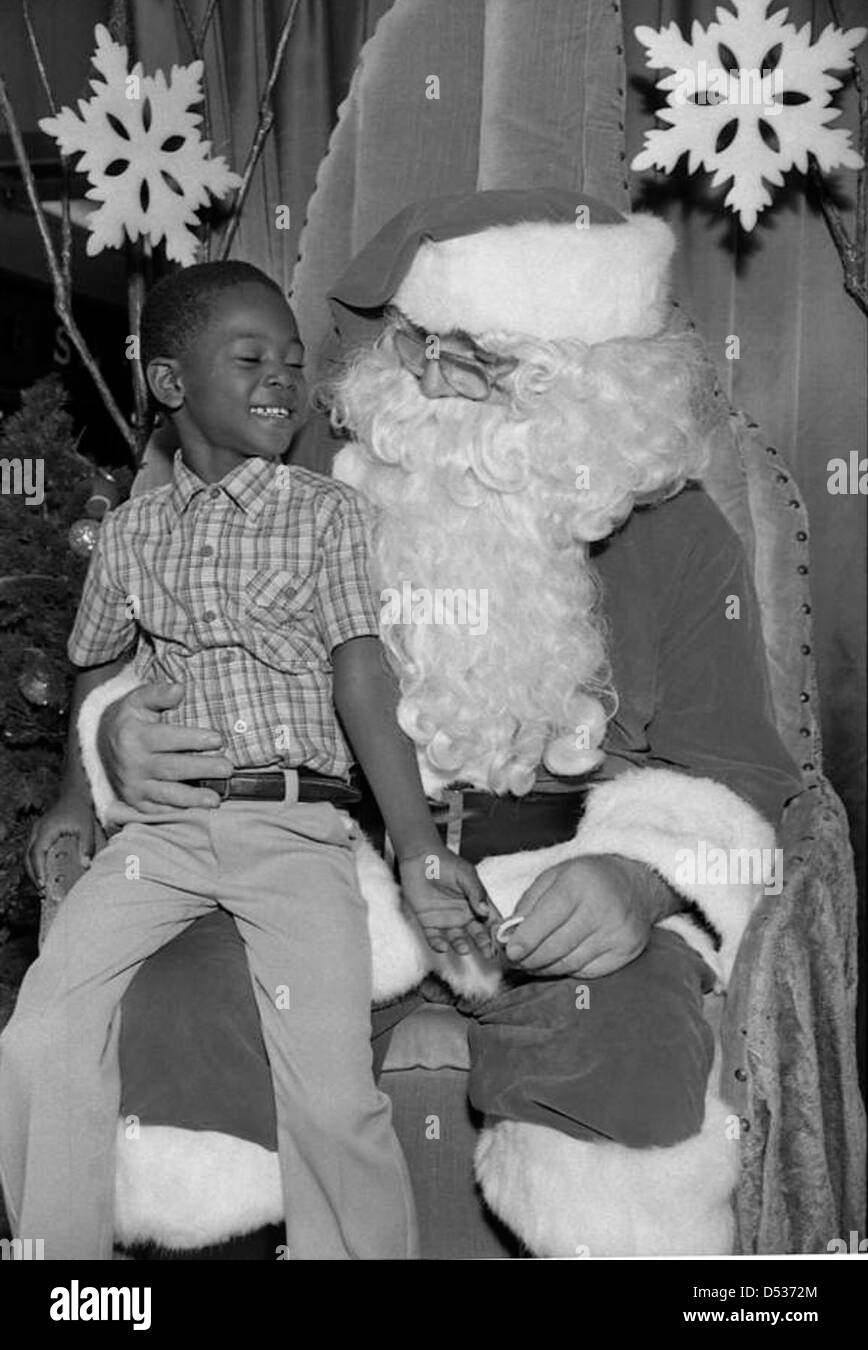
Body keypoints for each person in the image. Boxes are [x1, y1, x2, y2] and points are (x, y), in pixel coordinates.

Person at [47, 192, 805, 1256]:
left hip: (560, 886)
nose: (429, 382)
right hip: (320, 863)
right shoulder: (291, 483)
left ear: (593, 386)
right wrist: (123, 735)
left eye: (476, 363)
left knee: (634, 1049)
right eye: (419, 350)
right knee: (179, 1012)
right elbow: (145, 649)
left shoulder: (680, 540)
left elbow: (732, 765)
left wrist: (635, 877)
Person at [0, 259, 494, 1262]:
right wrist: (72, 798)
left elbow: (363, 678)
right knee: (40, 1030)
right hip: (163, 835)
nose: (282, 379)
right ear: (173, 384)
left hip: (293, 827)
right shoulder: (132, 534)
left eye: (293, 361)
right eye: (251, 358)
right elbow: (93, 660)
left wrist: (415, 851)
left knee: (328, 1090)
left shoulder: (328, 516)